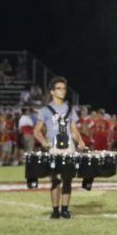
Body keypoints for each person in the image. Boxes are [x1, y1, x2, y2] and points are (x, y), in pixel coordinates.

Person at [33, 77, 86, 219]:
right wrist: (44, 142)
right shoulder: (45, 110)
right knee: (55, 179)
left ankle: (65, 209)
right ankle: (55, 210)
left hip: (69, 146)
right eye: (59, 88)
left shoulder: (70, 109)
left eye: (64, 88)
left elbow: (74, 130)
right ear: (52, 92)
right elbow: (36, 131)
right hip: (53, 147)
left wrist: (80, 142)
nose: (62, 91)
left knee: (68, 178)